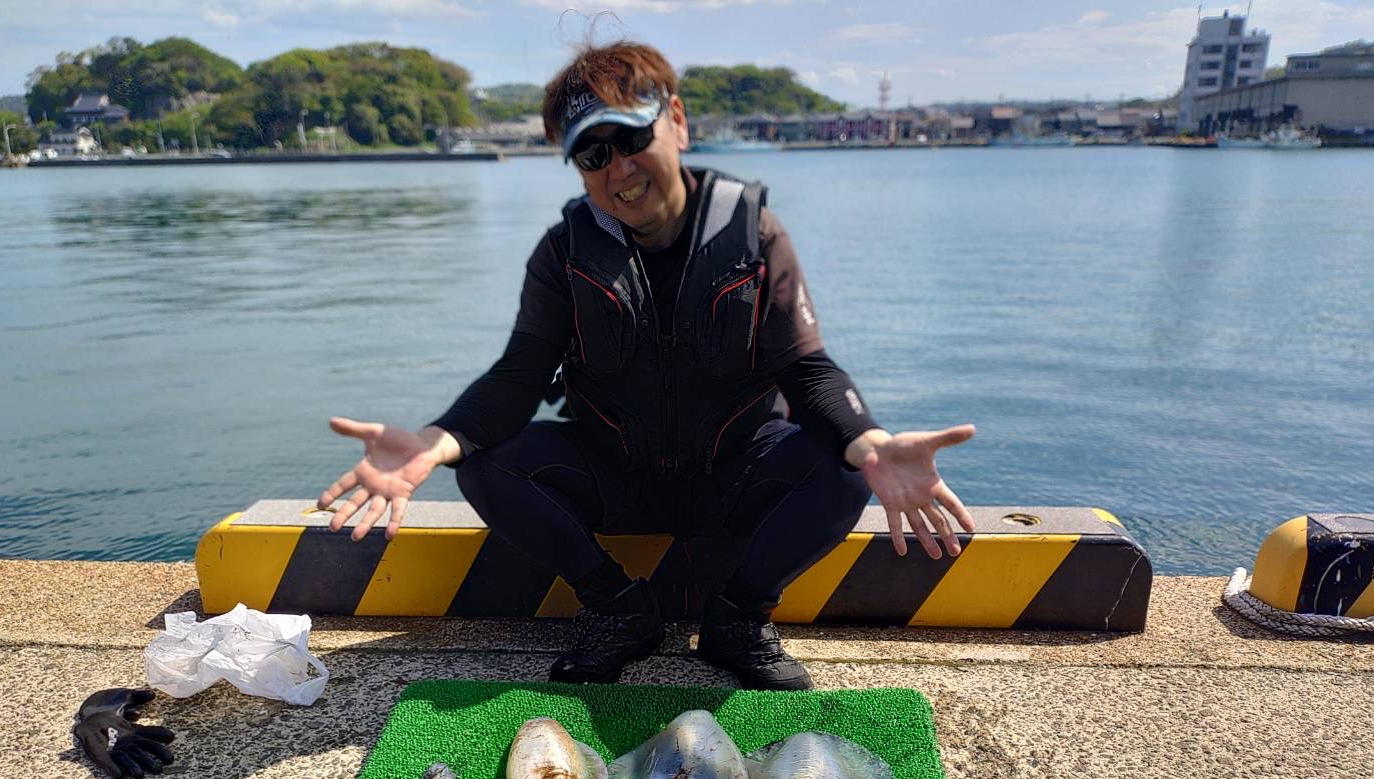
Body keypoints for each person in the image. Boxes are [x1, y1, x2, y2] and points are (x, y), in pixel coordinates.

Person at [317, 41, 974, 691]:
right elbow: (519, 375)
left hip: (735, 471)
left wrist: (869, 439)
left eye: (631, 138)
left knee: (846, 466)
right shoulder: (563, 252)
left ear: (677, 122)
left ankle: (739, 616)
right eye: (592, 154)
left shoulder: (756, 236)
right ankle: (617, 607)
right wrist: (434, 441)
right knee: (485, 464)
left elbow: (807, 368)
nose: (619, 169)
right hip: (618, 474)